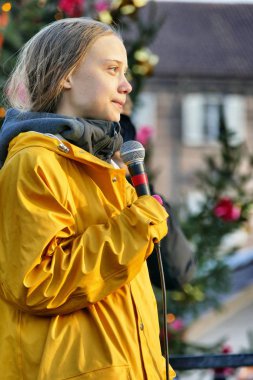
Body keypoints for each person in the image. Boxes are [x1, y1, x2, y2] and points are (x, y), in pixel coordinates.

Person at [0, 18, 176, 380]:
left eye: (125, 72)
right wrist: (136, 227)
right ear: (65, 75)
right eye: (112, 69)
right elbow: (36, 282)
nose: (126, 85)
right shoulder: (35, 162)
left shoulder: (109, 171)